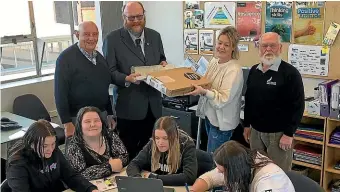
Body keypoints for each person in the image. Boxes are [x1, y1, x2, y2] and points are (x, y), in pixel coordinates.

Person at [102, 1, 167, 160]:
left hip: (154, 106)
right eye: (131, 18)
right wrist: (126, 78)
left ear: (144, 15)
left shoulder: (155, 36)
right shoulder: (112, 39)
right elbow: (108, 72)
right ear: (123, 17)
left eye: (140, 16)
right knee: (129, 153)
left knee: (153, 152)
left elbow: (161, 59)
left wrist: (164, 65)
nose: (136, 21)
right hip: (129, 108)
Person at [243, 32, 305, 171]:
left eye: (273, 46)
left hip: (279, 136)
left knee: (279, 175)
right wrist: (247, 125)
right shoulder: (254, 70)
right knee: (257, 172)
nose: (268, 49)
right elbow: (249, 99)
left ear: (280, 48)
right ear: (259, 48)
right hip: (255, 133)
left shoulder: (290, 73)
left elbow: (298, 105)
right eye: (265, 46)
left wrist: (289, 134)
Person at [186, 26, 244, 153]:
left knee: (215, 160)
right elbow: (206, 83)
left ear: (233, 47)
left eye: (227, 45)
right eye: (219, 43)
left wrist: (203, 91)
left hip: (222, 124)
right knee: (210, 154)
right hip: (210, 116)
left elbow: (223, 99)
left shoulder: (234, 70)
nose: (221, 47)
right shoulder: (214, 61)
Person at [54, 21, 115, 139]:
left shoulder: (100, 58)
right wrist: (66, 123)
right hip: (77, 119)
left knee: (102, 153)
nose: (91, 38)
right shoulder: (65, 59)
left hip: (100, 117)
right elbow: (60, 93)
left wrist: (110, 114)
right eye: (86, 34)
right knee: (79, 156)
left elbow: (104, 89)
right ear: (77, 35)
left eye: (95, 34)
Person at [6, 120, 99, 192]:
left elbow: (70, 176)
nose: (50, 149)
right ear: (31, 144)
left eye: (53, 144)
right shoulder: (17, 163)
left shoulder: (53, 150)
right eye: (44, 146)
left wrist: (90, 189)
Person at [190, 141, 295, 192]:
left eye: (222, 171)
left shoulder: (268, 182)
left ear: (235, 169)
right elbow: (210, 178)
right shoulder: (244, 162)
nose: (218, 172)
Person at [126, 116, 197, 186]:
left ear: (174, 136)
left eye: (165, 138)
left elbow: (189, 177)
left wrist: (156, 178)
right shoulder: (152, 144)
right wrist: (138, 180)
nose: (160, 143)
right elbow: (133, 164)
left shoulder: (186, 145)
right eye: (157, 138)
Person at [65, 106, 129, 180]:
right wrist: (109, 167)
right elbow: (80, 174)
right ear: (80, 125)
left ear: (101, 122)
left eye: (96, 120)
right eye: (87, 121)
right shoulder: (73, 146)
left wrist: (118, 162)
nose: (92, 124)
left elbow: (124, 156)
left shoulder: (110, 135)